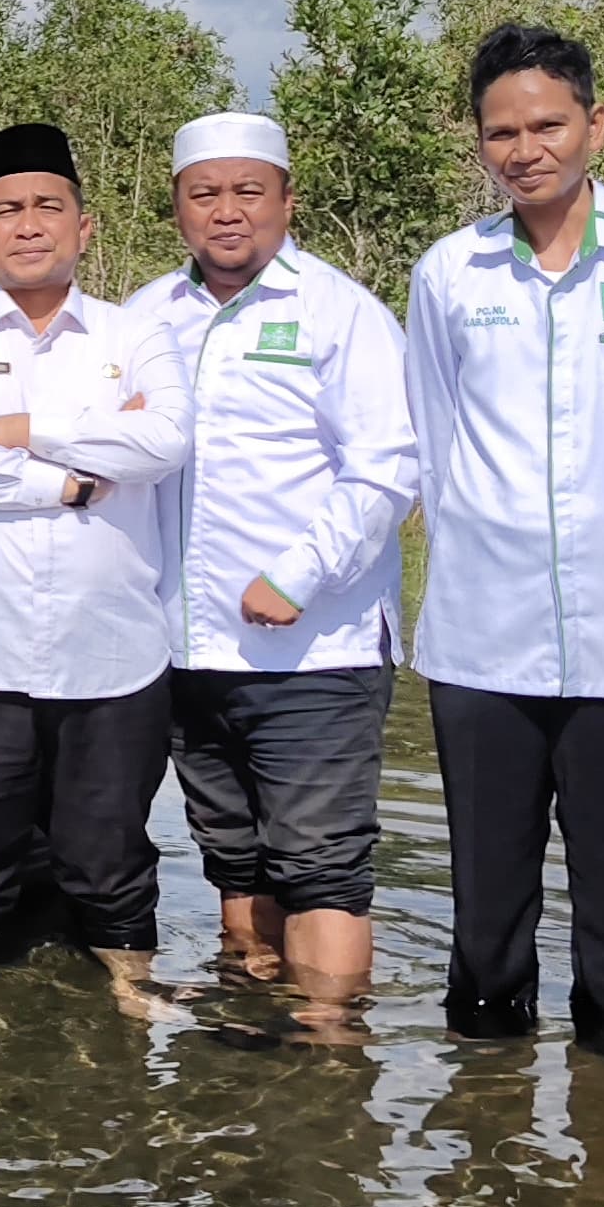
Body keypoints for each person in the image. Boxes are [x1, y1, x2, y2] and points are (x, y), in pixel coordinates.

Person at [402, 26, 604, 1062]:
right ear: (479, 143)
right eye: (500, 132)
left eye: (546, 125)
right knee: (484, 911)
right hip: (483, 641)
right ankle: (484, 1123)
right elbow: (432, 446)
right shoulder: (450, 274)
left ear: (594, 125)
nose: (524, 149)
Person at [0, 122, 192, 1024]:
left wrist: (18, 427)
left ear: (84, 227)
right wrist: (69, 475)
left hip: (114, 643)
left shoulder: (139, 332)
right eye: (6, 210)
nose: (28, 225)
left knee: (110, 836)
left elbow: (167, 438)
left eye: (47, 207)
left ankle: (132, 984)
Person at [128, 111, 419, 1031]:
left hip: (314, 650)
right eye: (204, 193)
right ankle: (250, 1039)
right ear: (176, 206)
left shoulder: (341, 315)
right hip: (187, 648)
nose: (226, 212)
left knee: (322, 864)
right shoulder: (143, 318)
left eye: (248, 190)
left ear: (287, 199)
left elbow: (388, 468)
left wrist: (296, 575)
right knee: (233, 857)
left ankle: (331, 1061)